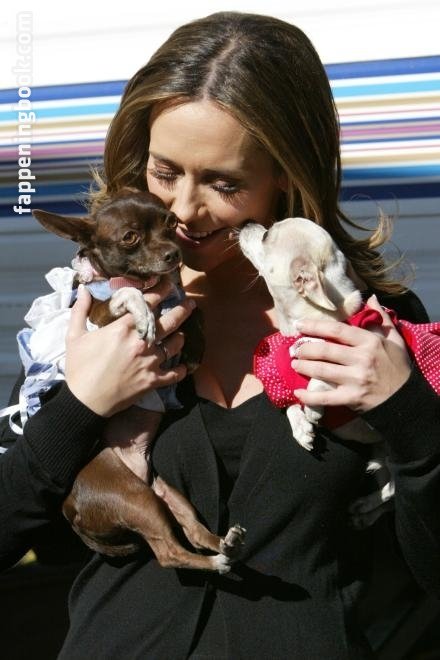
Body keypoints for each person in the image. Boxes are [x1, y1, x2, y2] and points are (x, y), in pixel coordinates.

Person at [1, 11, 439, 659]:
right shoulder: (86, 312)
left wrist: (413, 419)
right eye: (165, 172)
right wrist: (81, 406)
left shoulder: (367, 322)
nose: (183, 209)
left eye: (223, 182)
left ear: (287, 170)